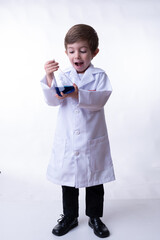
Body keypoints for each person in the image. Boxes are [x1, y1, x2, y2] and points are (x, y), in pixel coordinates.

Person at [41, 24, 115, 238]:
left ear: (94, 52)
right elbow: (52, 101)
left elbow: (100, 99)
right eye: (72, 51)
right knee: (68, 181)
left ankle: (94, 217)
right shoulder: (62, 75)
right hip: (68, 139)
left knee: (94, 180)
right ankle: (69, 216)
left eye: (83, 50)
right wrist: (48, 78)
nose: (77, 55)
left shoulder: (99, 75)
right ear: (66, 53)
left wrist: (77, 93)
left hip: (92, 138)